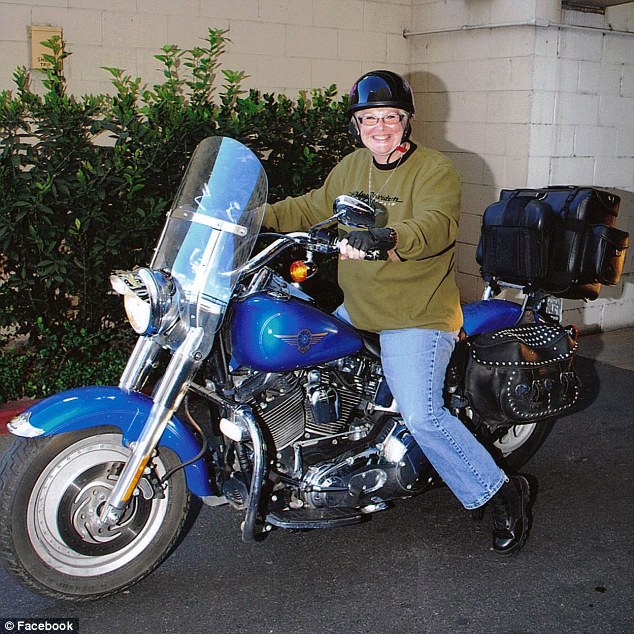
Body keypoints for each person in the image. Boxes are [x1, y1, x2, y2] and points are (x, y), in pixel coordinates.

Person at [264, 69, 532, 556]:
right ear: (356, 126)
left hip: (417, 313)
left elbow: (435, 225)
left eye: (390, 117)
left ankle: (499, 491)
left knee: (423, 415)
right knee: (294, 359)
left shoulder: (434, 169)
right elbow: (310, 207)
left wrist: (387, 237)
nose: (380, 128)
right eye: (369, 119)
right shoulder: (351, 167)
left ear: (406, 121)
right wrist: (248, 217)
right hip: (358, 307)